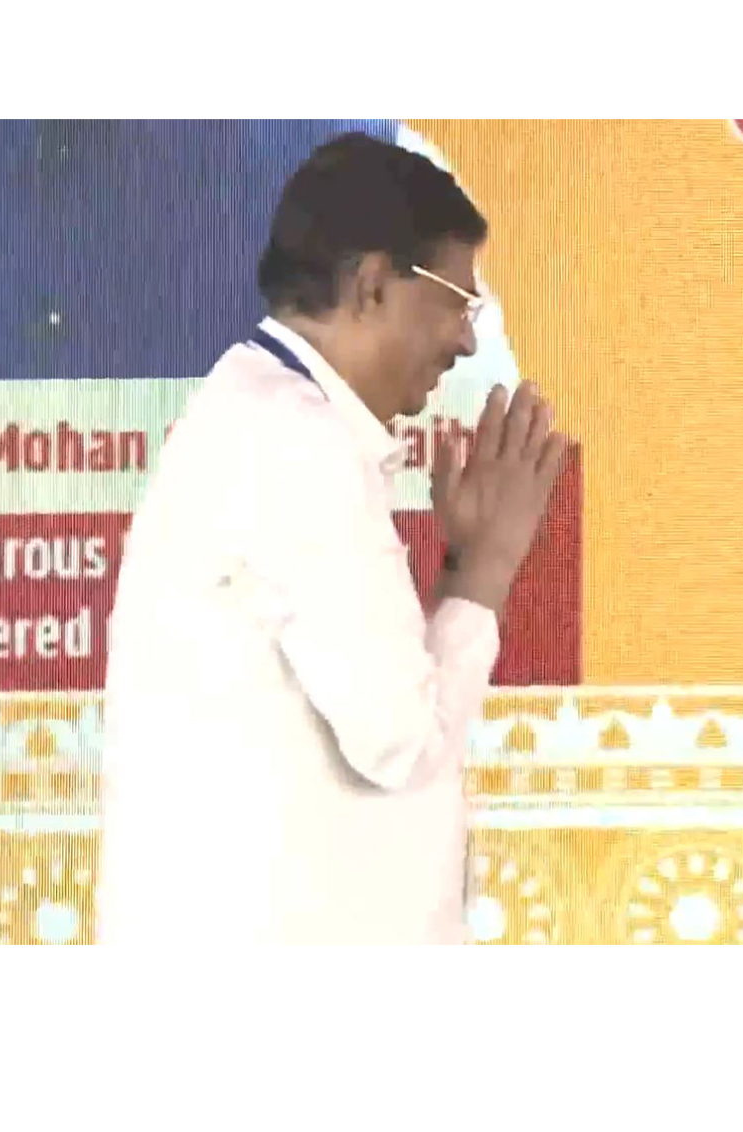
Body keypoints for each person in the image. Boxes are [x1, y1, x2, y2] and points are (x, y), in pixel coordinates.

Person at [96, 133, 566, 944]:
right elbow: (400, 744)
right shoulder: (295, 440)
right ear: (373, 285)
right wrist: (484, 573)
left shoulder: (265, 415)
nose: (466, 342)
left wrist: (466, 571)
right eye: (458, 304)